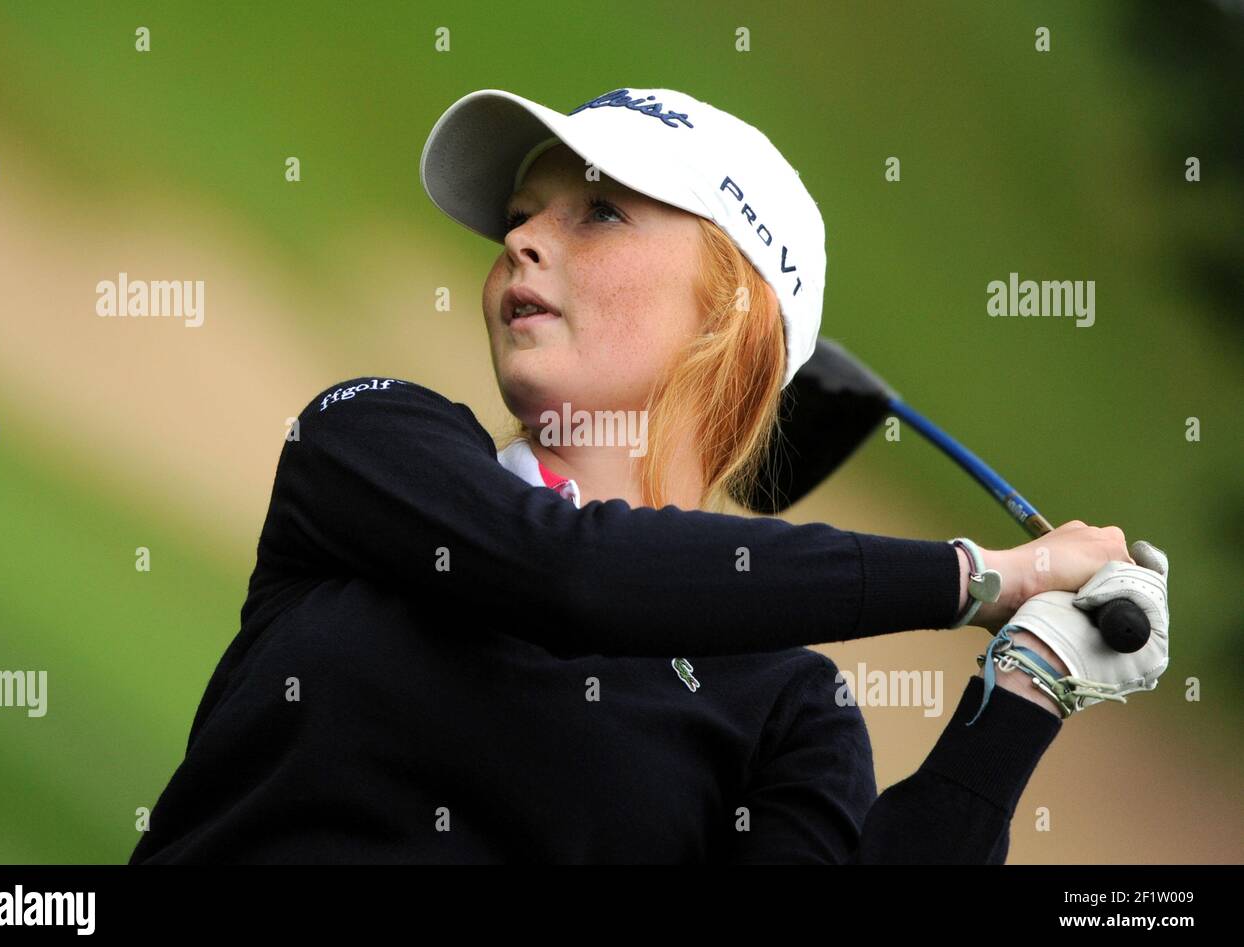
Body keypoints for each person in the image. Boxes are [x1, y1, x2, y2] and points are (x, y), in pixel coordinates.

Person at [128, 87, 1169, 864]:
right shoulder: (369, 446)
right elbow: (569, 577)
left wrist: (1030, 683)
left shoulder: (784, 710)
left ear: (729, 311)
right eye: (518, 219)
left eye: (597, 211)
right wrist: (979, 577)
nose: (523, 240)